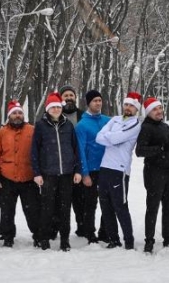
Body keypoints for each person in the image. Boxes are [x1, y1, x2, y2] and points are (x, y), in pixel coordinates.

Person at [31, 92, 82, 251]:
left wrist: (78, 170)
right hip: (48, 174)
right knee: (47, 208)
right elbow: (34, 151)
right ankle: (44, 238)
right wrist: (37, 173)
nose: (55, 110)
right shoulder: (40, 126)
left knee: (64, 208)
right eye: (52, 107)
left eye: (58, 107)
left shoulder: (68, 125)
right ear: (47, 109)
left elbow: (76, 148)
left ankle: (64, 240)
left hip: (66, 174)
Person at [0, 101, 41, 248]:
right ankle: (7, 235)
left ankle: (38, 235)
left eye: (20, 113)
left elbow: (40, 152)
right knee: (7, 210)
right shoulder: (1, 133)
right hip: (7, 178)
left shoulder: (33, 130)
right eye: (14, 113)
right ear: (9, 115)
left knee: (33, 210)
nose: (17, 115)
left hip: (28, 178)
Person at [96, 92, 143, 250]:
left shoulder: (135, 123)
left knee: (120, 206)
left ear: (136, 109)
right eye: (126, 104)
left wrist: (111, 137)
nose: (128, 108)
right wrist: (113, 137)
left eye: (131, 106)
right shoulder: (114, 119)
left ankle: (128, 242)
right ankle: (113, 240)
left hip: (120, 170)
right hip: (105, 167)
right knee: (105, 206)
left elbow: (113, 139)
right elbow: (98, 137)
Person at [135, 97, 169, 253]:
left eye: (160, 108)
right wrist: (159, 149)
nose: (159, 111)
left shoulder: (165, 126)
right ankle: (149, 241)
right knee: (152, 208)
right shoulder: (146, 128)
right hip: (154, 173)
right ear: (148, 112)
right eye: (155, 109)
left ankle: (168, 238)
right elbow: (139, 151)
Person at [75, 90, 111, 243]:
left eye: (100, 100)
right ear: (88, 103)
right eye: (95, 100)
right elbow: (80, 150)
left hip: (108, 168)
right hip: (92, 170)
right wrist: (85, 173)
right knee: (90, 203)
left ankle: (105, 231)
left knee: (108, 203)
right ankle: (90, 233)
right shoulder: (81, 125)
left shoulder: (108, 121)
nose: (98, 103)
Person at [59, 85, 85, 237]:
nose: (69, 98)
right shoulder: (54, 113)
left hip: (79, 162)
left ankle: (82, 228)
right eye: (65, 95)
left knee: (80, 200)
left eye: (71, 95)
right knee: (60, 201)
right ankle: (57, 229)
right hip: (60, 164)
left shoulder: (83, 116)